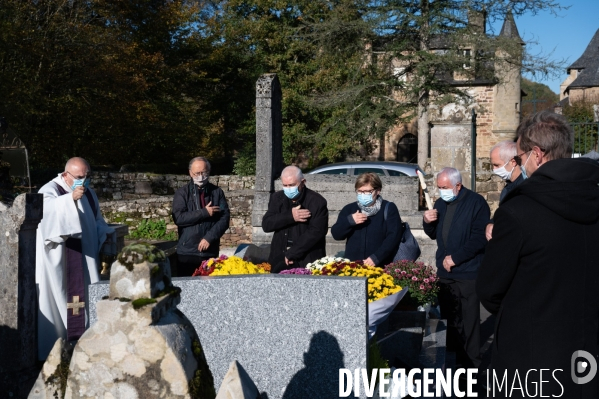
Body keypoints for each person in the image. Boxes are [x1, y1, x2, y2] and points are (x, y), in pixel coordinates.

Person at [477, 111, 599, 397]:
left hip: (529, 357)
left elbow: (490, 289)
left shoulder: (519, 210)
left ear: (537, 154)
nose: (519, 165)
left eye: (518, 158)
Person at [36, 157, 116, 360]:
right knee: (60, 301)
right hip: (61, 263)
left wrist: (105, 234)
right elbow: (46, 220)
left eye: (87, 176)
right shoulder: (49, 191)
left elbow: (96, 221)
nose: (84, 181)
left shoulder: (89, 194)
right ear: (66, 175)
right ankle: (56, 352)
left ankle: (89, 347)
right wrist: (69, 199)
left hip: (85, 261)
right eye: (80, 177)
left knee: (87, 303)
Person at [423, 167, 489, 369]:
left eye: (445, 187)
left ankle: (471, 365)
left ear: (458, 186)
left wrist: (456, 258)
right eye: (439, 187)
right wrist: (427, 221)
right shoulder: (441, 203)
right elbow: (434, 234)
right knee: (450, 319)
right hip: (445, 273)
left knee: (469, 321)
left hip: (467, 272)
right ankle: (452, 361)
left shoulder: (477, 203)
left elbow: (479, 237)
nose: (441, 191)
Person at [262, 166, 328, 273]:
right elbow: (267, 224)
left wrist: (291, 253)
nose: (288, 189)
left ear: (302, 182)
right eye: (285, 185)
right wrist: (290, 216)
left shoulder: (317, 201)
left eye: (292, 185)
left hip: (307, 258)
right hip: (279, 256)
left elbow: (316, 232)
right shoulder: (277, 198)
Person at [172, 157, 230, 276]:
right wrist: (204, 212)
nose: (201, 176)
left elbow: (224, 218)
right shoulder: (182, 193)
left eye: (204, 172)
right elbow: (179, 218)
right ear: (190, 173)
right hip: (187, 252)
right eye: (197, 173)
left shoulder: (217, 192)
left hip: (210, 251)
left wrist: (209, 238)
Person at [331, 173, 403, 267]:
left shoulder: (388, 208)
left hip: (381, 265)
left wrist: (376, 258)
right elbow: (336, 234)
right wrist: (350, 221)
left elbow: (393, 237)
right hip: (354, 266)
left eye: (367, 192)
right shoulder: (349, 209)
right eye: (360, 191)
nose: (362, 195)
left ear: (378, 191)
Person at [485, 140, 523, 240]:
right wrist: (491, 223)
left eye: (497, 165)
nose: (494, 169)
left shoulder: (524, 188)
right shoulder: (508, 187)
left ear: (513, 162)